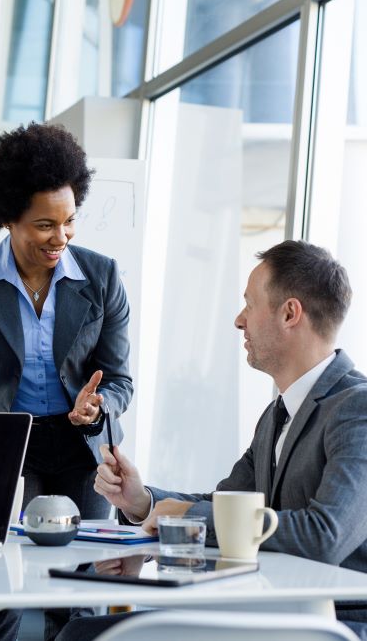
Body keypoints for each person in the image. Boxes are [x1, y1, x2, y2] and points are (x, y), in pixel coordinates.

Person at [58, 240, 367, 641]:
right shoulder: (278, 414)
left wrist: (183, 516)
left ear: (290, 313)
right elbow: (227, 505)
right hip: (263, 607)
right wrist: (143, 502)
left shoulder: (357, 409)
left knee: (85, 636)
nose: (240, 321)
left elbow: (324, 537)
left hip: (327, 623)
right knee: (82, 631)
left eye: (249, 304)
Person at [0, 122, 134, 641]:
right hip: (5, 439)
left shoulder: (103, 277)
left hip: (78, 441)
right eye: (44, 225)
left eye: (69, 222)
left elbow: (119, 379)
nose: (61, 238)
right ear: (8, 218)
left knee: (80, 590)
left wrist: (98, 408)